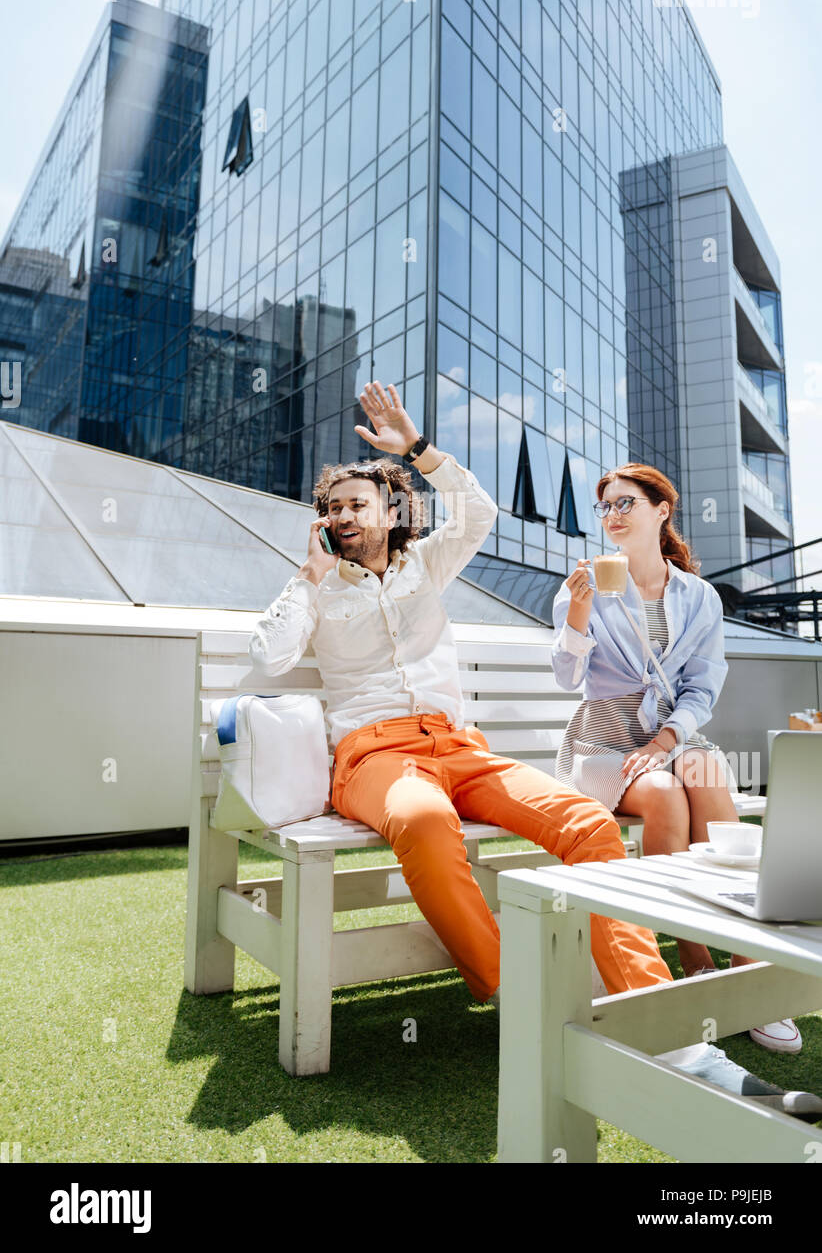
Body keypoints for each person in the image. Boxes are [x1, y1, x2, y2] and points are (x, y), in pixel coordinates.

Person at [250, 384, 821, 1116]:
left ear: (391, 514)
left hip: (461, 748)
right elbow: (268, 655)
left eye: (357, 504)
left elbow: (479, 511)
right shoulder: (320, 588)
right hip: (374, 757)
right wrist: (309, 575)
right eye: (332, 510)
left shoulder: (427, 564)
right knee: (425, 823)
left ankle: (674, 1031)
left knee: (586, 823)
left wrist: (417, 448)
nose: (341, 517)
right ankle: (519, 995)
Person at [552, 462, 801, 1055]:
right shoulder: (583, 583)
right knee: (663, 795)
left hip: (670, 735)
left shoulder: (698, 595)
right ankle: (692, 957)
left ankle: (748, 965)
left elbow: (704, 683)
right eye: (606, 506)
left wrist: (668, 739)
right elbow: (566, 678)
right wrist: (579, 612)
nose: (613, 515)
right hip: (604, 740)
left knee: (707, 772)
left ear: (661, 510)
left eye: (625, 503)